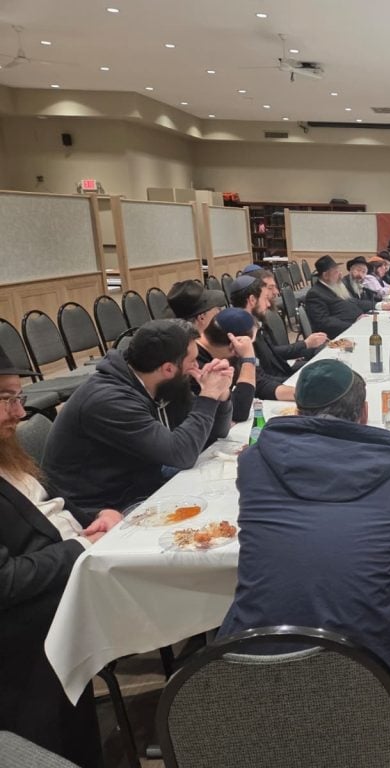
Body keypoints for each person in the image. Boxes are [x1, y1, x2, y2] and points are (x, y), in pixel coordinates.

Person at [218, 358, 390, 725]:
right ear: (364, 413)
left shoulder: (255, 462)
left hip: (256, 665)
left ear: (297, 410)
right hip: (373, 676)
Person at [0, 351, 123, 768]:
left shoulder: (7, 452)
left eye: (19, 397)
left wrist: (95, 519)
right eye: (6, 399)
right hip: (22, 633)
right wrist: (79, 549)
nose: (20, 413)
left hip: (69, 573)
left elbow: (47, 508)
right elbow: (4, 581)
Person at [43, 319, 234, 513]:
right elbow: (181, 454)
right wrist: (208, 397)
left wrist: (221, 394)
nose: (197, 366)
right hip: (101, 508)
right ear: (168, 369)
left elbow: (214, 436)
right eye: (193, 361)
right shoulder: (110, 400)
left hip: (140, 481)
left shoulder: (158, 381)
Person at [230, 274, 326, 380]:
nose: (268, 304)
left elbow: (273, 355)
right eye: (265, 298)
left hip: (283, 373)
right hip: (278, 383)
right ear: (252, 300)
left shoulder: (257, 322)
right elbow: (261, 380)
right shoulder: (242, 336)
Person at [194, 308, 260, 421]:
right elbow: (239, 411)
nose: (250, 348)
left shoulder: (213, 352)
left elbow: (258, 383)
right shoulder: (196, 366)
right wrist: (249, 359)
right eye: (249, 345)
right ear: (234, 345)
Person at [303, 256, 370, 338]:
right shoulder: (315, 294)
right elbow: (324, 322)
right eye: (336, 272)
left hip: (356, 325)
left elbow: (354, 302)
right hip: (339, 335)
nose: (340, 274)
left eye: (339, 271)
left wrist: (378, 305)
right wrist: (353, 325)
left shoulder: (335, 287)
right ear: (325, 275)